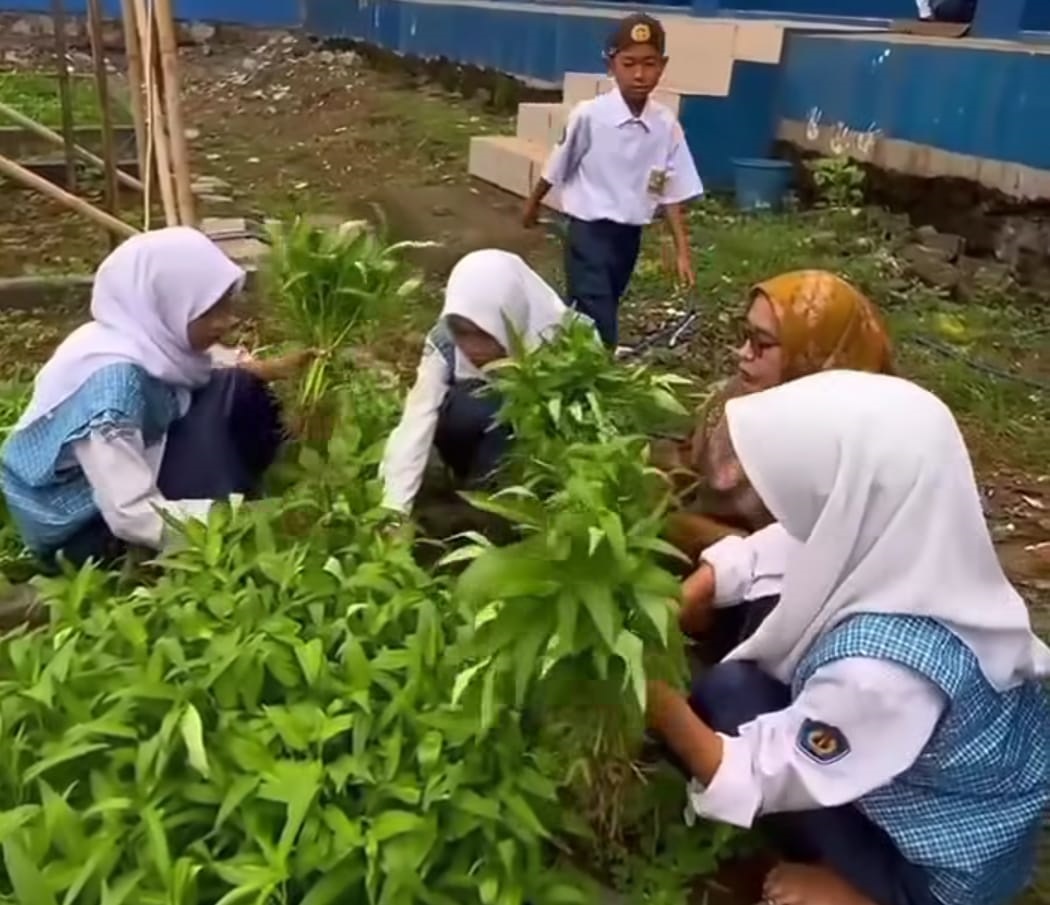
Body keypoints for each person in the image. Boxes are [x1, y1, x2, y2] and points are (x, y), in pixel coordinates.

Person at [646, 369, 1050, 905]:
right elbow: (788, 546)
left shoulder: (883, 672)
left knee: (726, 699)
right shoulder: (920, 539)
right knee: (735, 687)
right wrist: (697, 589)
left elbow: (750, 773)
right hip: (960, 799)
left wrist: (648, 688)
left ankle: (873, 893)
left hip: (940, 870)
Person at [0, 227, 310, 571]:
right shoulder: (113, 389)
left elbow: (213, 364)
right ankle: (215, 531)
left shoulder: (133, 335)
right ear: (165, 305)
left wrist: (272, 369)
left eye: (226, 305)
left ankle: (232, 493)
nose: (227, 322)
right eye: (209, 312)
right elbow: (129, 513)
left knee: (238, 387)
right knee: (220, 422)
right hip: (83, 530)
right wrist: (242, 522)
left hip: (118, 482)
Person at [662, 270, 894, 562]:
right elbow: (691, 464)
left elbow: (809, 559)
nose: (744, 353)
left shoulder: (844, 450)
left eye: (763, 343)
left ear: (812, 353)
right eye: (746, 335)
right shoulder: (738, 397)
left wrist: (702, 535)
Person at [522, 12, 703, 349]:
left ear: (662, 66)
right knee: (598, 312)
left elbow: (669, 190)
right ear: (611, 65)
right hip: (587, 234)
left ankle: (561, 353)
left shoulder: (665, 125)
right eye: (628, 63)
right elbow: (559, 163)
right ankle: (601, 370)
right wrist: (532, 204)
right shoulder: (590, 116)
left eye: (649, 64)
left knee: (593, 307)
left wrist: (682, 252)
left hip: (627, 238)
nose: (639, 74)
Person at [379, 249, 572, 517]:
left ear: (512, 317)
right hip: (475, 427)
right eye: (462, 334)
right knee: (471, 407)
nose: (473, 349)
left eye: (485, 333)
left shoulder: (563, 339)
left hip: (536, 448)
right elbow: (416, 422)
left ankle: (500, 503)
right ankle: (471, 492)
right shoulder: (444, 343)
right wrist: (395, 511)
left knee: (515, 413)